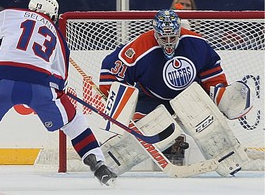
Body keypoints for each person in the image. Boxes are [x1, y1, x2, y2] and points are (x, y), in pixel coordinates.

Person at [0, 0, 117, 186]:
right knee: (73, 122)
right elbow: (60, 79)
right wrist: (58, 90)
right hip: (39, 84)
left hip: (3, 78)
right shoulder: (57, 35)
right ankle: (98, 163)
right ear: (54, 16)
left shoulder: (12, 14)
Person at [98, 9, 252, 174]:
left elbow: (211, 71)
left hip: (189, 96)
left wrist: (220, 93)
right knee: (147, 129)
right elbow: (111, 70)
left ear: (179, 31)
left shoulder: (196, 43)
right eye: (164, 38)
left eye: (173, 37)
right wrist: (113, 94)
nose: (169, 42)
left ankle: (229, 161)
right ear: (155, 33)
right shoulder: (139, 47)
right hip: (151, 97)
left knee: (208, 124)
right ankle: (107, 164)